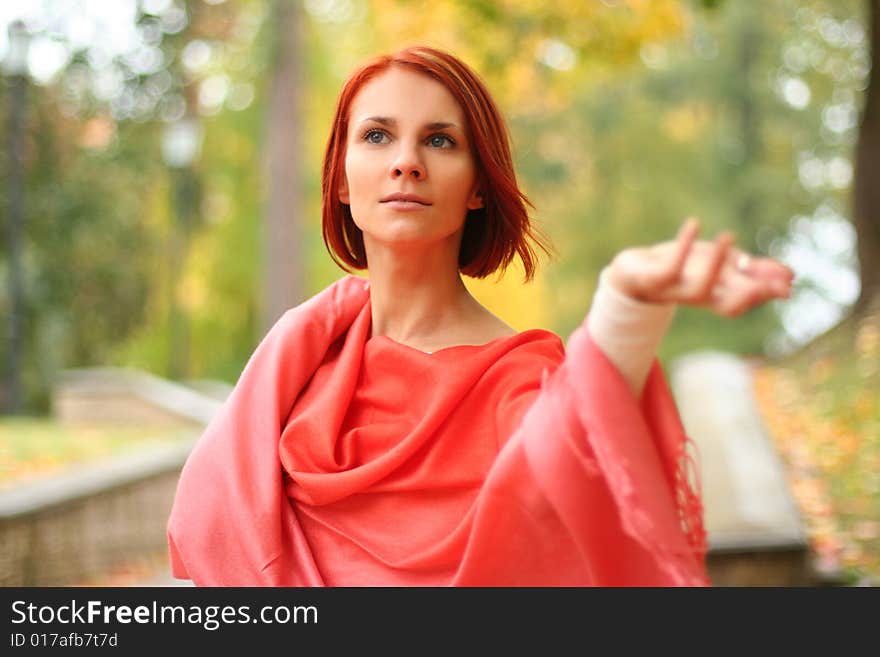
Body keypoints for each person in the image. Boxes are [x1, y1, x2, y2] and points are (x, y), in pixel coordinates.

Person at [166, 46, 794, 586]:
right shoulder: (299, 355)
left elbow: (572, 461)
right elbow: (214, 532)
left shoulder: (520, 378)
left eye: (439, 140)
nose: (406, 161)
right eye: (377, 135)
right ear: (341, 180)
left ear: (476, 186)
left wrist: (626, 309)